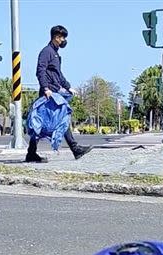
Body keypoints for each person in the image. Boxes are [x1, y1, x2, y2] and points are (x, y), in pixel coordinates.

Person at [25, 25, 93, 163]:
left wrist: (68, 87)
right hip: (49, 93)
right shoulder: (47, 52)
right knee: (56, 120)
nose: (64, 40)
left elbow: (58, 74)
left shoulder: (55, 53)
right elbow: (40, 71)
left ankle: (31, 153)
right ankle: (75, 149)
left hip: (54, 91)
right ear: (56, 37)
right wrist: (45, 88)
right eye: (63, 37)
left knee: (47, 122)